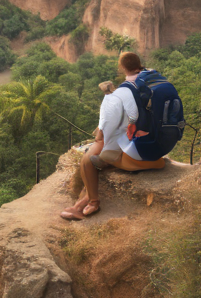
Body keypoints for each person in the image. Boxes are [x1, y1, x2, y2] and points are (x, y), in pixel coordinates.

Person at [60, 53, 168, 220]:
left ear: (122, 67)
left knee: (88, 159)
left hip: (132, 137)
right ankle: (85, 199)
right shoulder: (152, 77)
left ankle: (93, 202)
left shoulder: (125, 89)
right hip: (156, 136)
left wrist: (100, 133)